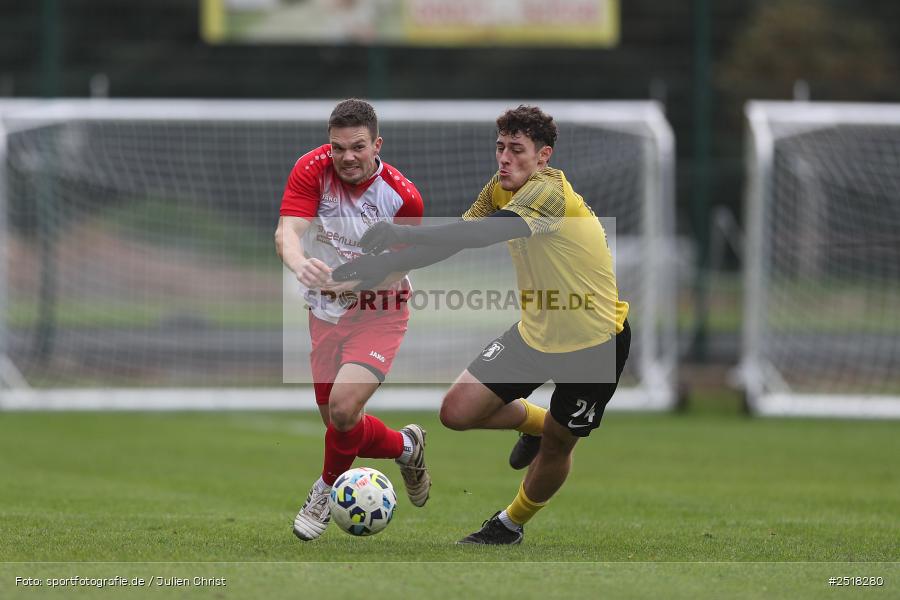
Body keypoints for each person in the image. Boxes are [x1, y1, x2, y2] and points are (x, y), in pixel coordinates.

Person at [332, 105, 631, 545]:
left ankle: (510, 524)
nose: (504, 158)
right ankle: (537, 424)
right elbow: (457, 238)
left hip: (594, 344)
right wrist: (380, 268)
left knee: (559, 445)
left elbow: (480, 235)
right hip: (537, 334)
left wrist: (404, 234)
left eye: (517, 150)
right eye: (500, 147)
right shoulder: (500, 188)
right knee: (456, 412)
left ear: (543, 156)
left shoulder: (549, 194)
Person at [274, 98, 431, 542]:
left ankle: (324, 493)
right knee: (339, 424)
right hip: (323, 313)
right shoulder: (311, 168)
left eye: (357, 147)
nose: (346, 157)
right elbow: (287, 232)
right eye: (338, 147)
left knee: (344, 409)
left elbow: (397, 269)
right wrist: (300, 264)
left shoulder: (403, 198)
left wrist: (349, 286)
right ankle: (407, 446)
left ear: (376, 145)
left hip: (379, 309)